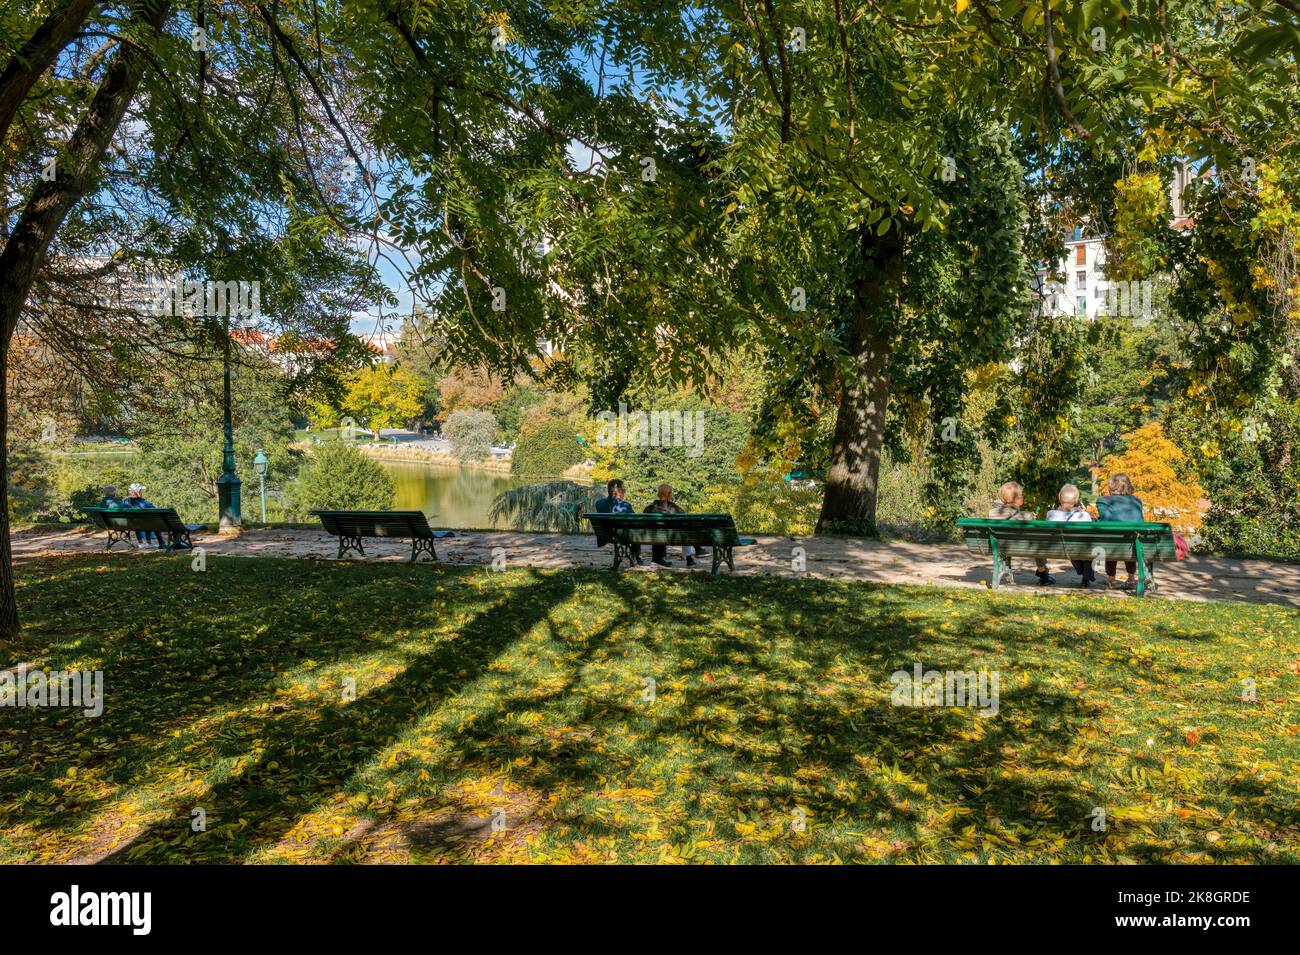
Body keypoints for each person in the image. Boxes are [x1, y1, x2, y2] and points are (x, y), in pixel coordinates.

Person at [988, 481, 1055, 585]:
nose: (1023, 496)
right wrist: (1031, 517)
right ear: (1017, 499)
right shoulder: (1026, 516)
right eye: (1022, 495)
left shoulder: (992, 513)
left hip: (1000, 546)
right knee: (1038, 541)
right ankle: (1043, 573)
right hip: (1023, 547)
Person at [1096, 473, 1147, 590]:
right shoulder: (1136, 501)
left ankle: (1112, 580)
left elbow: (1106, 522)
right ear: (1128, 486)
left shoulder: (1103, 501)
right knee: (1132, 538)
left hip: (1111, 545)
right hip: (1133, 545)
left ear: (1111, 485)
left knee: (1111, 539)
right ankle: (1131, 579)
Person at [642, 483, 709, 567]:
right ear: (669, 494)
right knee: (686, 530)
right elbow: (686, 519)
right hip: (671, 537)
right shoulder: (672, 508)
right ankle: (693, 554)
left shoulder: (648, 509)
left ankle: (657, 560)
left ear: (659, 494)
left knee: (661, 532)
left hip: (650, 537)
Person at [1046, 483, 1096, 587]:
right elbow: (1090, 533)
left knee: (1072, 548)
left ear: (1060, 498)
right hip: (1080, 548)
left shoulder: (1051, 514)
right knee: (1088, 550)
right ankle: (1087, 576)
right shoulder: (1084, 515)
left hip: (1059, 548)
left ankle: (1086, 574)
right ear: (1076, 500)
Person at [593, 478, 643, 565]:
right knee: (635, 530)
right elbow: (635, 520)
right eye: (623, 490)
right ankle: (636, 556)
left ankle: (635, 557)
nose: (624, 492)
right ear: (618, 491)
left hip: (606, 535)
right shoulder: (625, 505)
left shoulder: (599, 503)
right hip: (623, 536)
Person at [125, 483, 164, 549]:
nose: (142, 492)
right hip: (145, 524)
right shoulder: (144, 502)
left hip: (132, 524)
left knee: (137, 522)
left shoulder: (125, 502)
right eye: (141, 491)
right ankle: (149, 542)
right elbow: (155, 510)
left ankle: (141, 543)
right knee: (149, 522)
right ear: (138, 492)